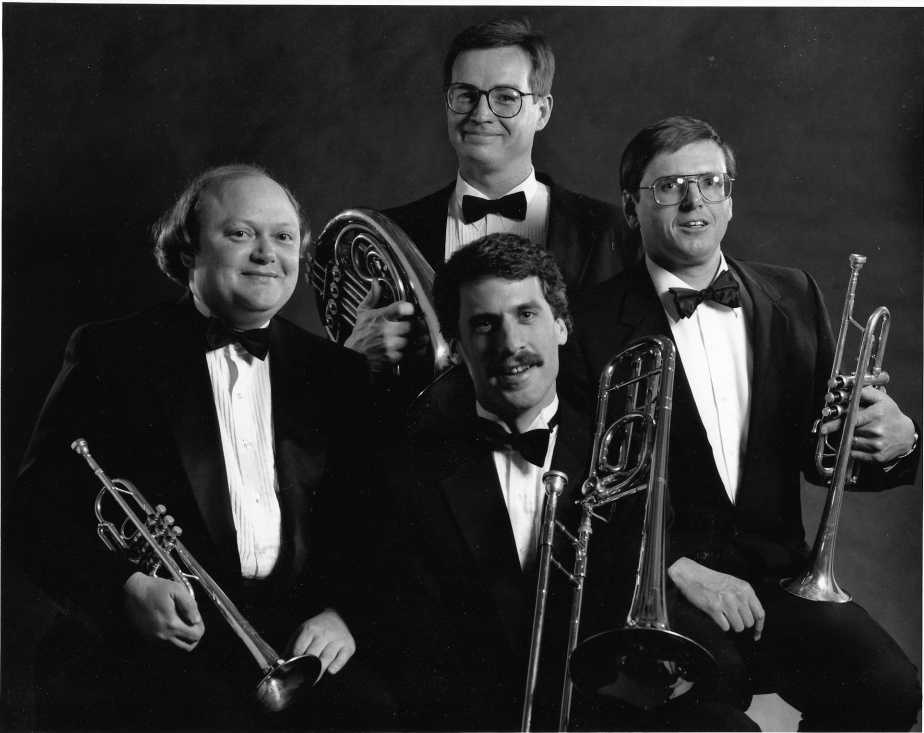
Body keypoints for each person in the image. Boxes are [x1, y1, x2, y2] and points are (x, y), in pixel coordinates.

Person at [560, 116, 921, 732]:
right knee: (716, 723)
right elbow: (569, 479)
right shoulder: (586, 324)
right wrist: (675, 567)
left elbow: (826, 454)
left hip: (781, 579)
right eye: (670, 185)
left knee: (890, 689)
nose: (695, 200)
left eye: (710, 182)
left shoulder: (794, 294)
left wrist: (895, 440)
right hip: (664, 587)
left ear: (730, 198)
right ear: (630, 206)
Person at [7, 165, 394, 731]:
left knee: (372, 710)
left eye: (284, 237)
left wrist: (344, 615)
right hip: (157, 642)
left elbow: (379, 523)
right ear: (188, 250)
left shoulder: (337, 373)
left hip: (293, 636)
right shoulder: (111, 354)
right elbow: (34, 512)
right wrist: (127, 589)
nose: (268, 253)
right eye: (240, 234)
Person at [365, 233, 759, 731]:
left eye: (527, 315)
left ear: (562, 326)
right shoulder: (407, 469)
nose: (512, 345)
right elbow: (417, 654)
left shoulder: (624, 454)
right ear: (460, 348)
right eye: (485, 324)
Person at [344, 17, 640, 375]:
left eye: (505, 98)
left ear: (542, 112)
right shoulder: (391, 233)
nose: (481, 114)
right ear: (447, 103)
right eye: (466, 95)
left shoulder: (608, 230)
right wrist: (352, 359)